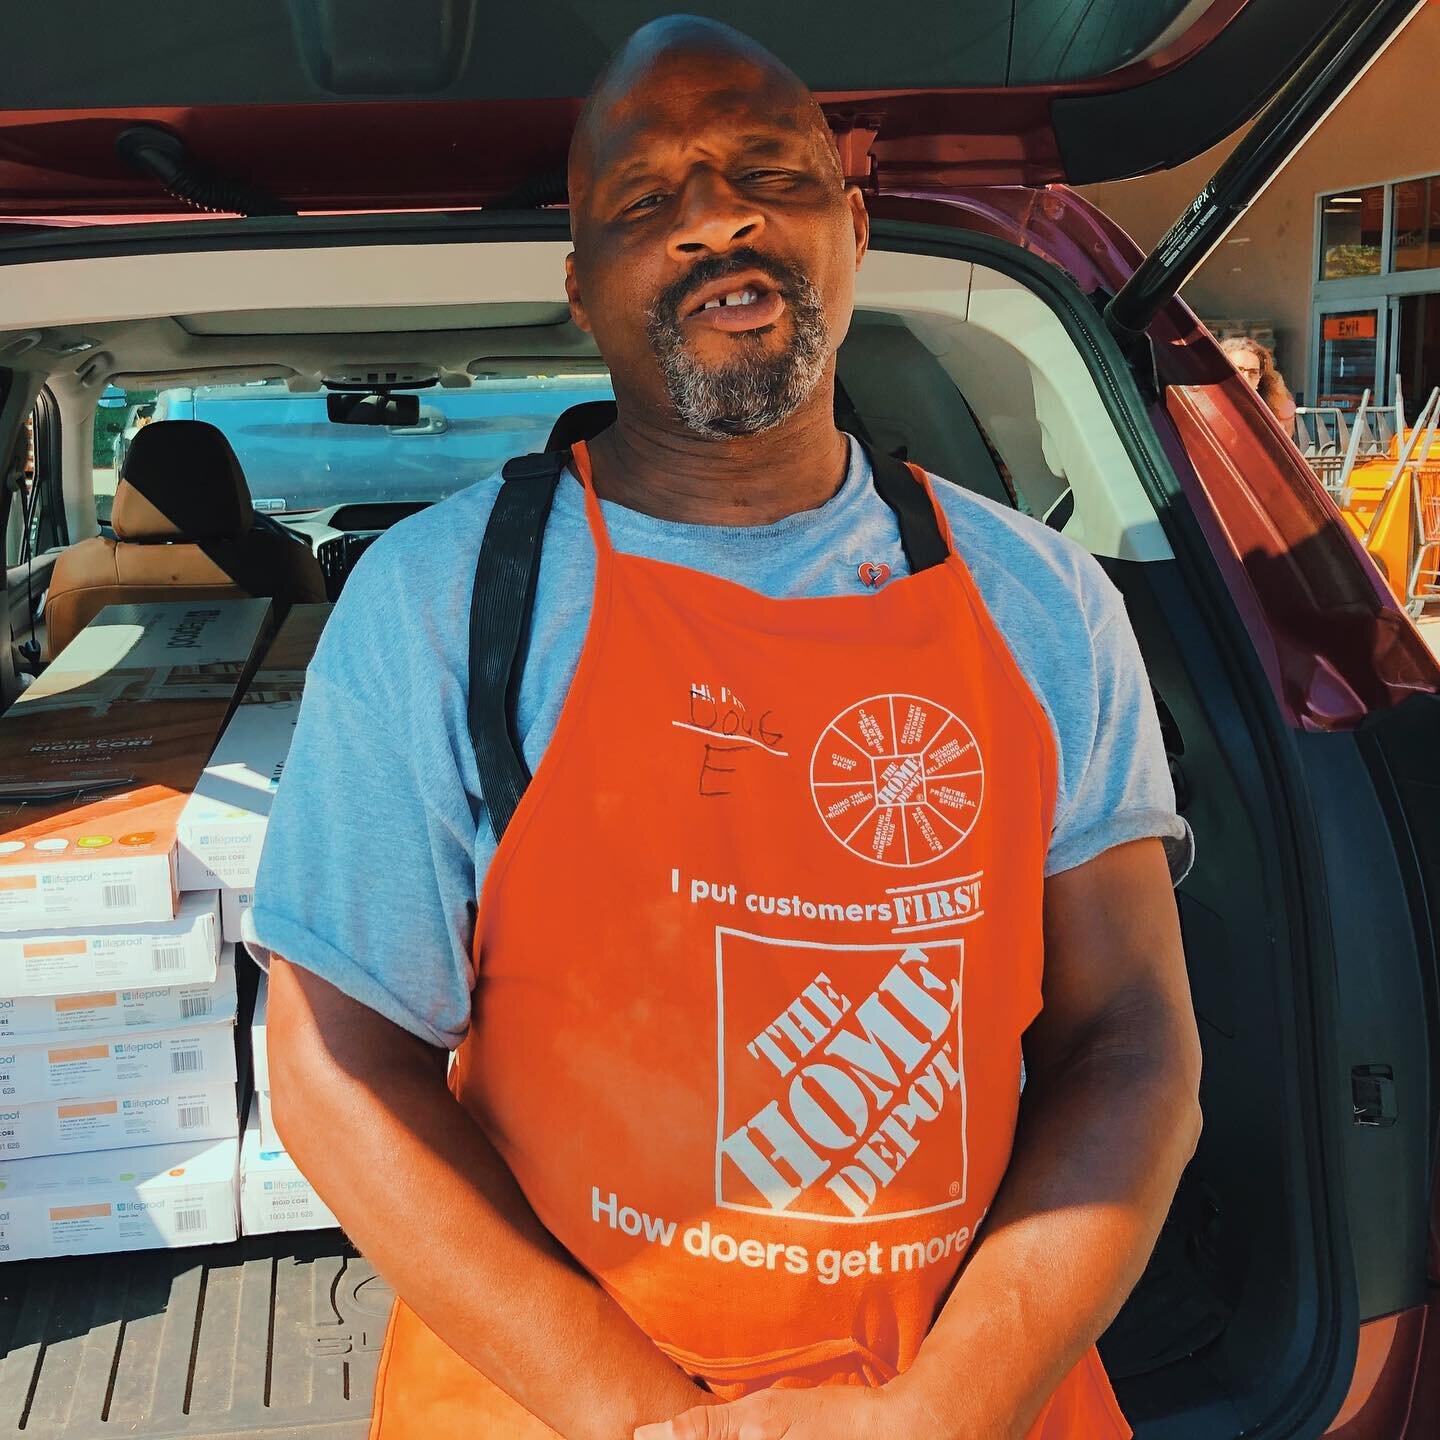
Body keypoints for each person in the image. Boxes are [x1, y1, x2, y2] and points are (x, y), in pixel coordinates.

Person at [254, 16, 1201, 1440]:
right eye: (646, 199)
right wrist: (648, 1424)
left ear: (855, 225)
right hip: (552, 1402)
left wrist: (944, 1410)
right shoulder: (442, 604)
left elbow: (1133, 1039)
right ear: (583, 287)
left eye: (772, 169)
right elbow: (336, 1066)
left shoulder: (1045, 603)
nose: (718, 217)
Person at [1220, 334, 1297, 426]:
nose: (1246, 378)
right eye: (1238, 370)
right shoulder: (1202, 407)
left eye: (1253, 372)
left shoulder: (1276, 416)